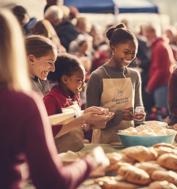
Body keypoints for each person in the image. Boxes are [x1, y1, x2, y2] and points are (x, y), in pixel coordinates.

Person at [0, 9, 107, 189]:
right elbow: (53, 182)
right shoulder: (22, 102)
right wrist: (91, 161)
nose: (53, 69)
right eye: (49, 62)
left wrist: (81, 115)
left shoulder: (35, 89)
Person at [26, 35, 112, 141]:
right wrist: (83, 118)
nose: (53, 69)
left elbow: (52, 120)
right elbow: (41, 128)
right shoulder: (21, 88)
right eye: (50, 62)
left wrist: (83, 114)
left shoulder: (40, 81)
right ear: (31, 59)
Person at [86, 23, 145, 143]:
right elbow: (91, 120)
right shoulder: (97, 76)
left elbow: (139, 108)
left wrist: (140, 116)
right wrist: (119, 116)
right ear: (113, 48)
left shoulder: (134, 75)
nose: (130, 57)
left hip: (130, 140)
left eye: (133, 53)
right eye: (126, 52)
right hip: (104, 141)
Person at [44, 54, 114, 152]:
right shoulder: (51, 99)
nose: (83, 85)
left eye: (84, 81)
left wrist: (94, 120)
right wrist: (84, 118)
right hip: (59, 154)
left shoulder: (74, 96)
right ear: (65, 79)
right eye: (79, 81)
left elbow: (80, 127)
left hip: (76, 150)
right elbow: (48, 132)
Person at [143, 24, 175, 115]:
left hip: (162, 85)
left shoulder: (159, 47)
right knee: (163, 113)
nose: (145, 37)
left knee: (163, 115)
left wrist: (149, 87)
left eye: (147, 34)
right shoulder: (161, 45)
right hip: (163, 84)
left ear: (152, 32)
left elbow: (160, 70)